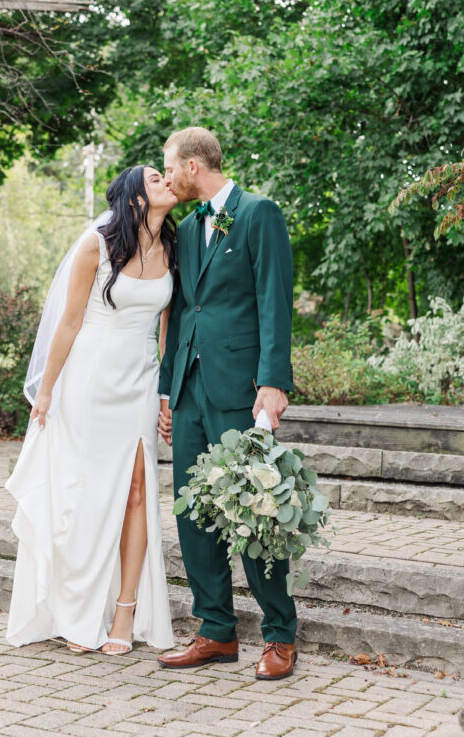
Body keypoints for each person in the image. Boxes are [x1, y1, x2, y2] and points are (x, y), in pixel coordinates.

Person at [5, 166, 176, 656]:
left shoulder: (176, 250)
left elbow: (167, 336)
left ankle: (125, 613)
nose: (165, 180)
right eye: (154, 177)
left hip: (140, 381)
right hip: (87, 381)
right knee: (84, 492)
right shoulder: (96, 246)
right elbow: (69, 323)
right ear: (135, 198)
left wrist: (166, 397)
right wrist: (46, 391)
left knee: (138, 491)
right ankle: (77, 611)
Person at [157, 127, 297, 680]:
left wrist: (274, 382)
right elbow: (183, 312)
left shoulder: (259, 213)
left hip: (241, 388)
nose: (167, 178)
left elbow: (274, 299)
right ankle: (215, 631)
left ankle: (279, 634)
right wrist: (168, 389)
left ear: (193, 166)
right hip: (190, 387)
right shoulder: (187, 230)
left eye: (170, 168)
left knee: (254, 508)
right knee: (193, 510)